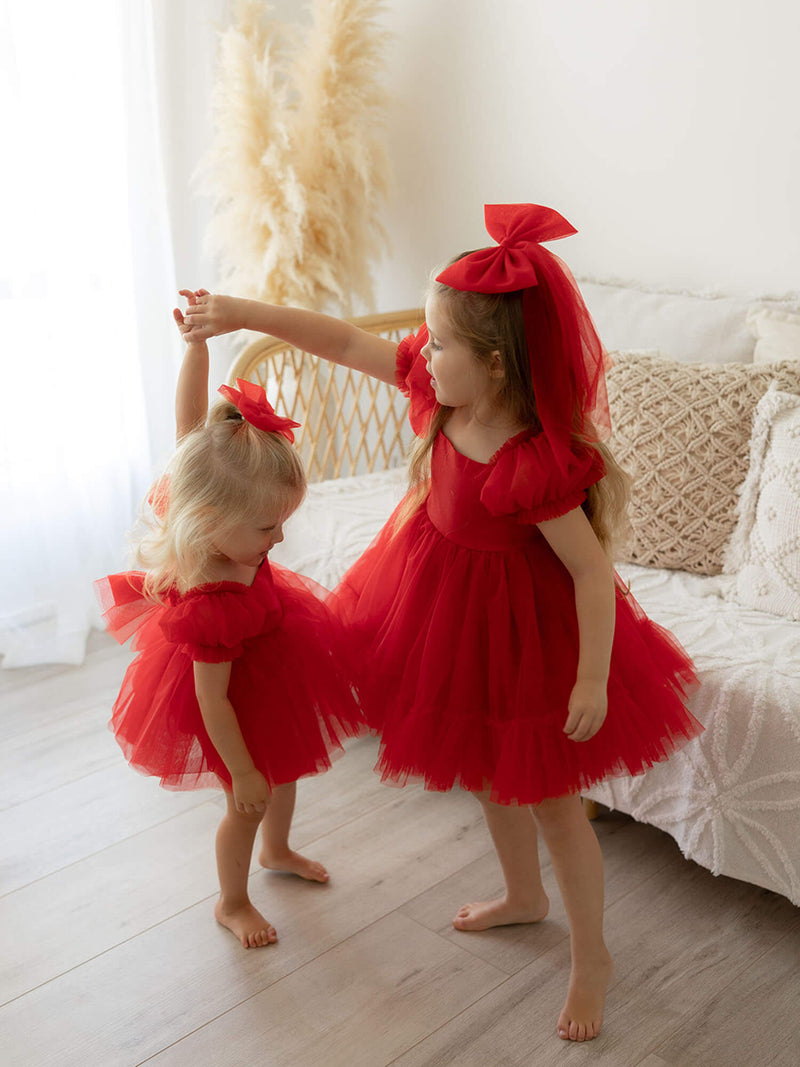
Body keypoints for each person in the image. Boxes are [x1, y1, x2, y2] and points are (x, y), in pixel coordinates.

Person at [179, 205, 702, 1040]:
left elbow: (591, 572)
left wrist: (594, 674)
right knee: (489, 771)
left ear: (492, 366)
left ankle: (592, 955)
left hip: (530, 633)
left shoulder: (534, 459)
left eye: (440, 342)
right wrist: (243, 312)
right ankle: (523, 896)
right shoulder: (442, 397)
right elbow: (345, 343)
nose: (422, 352)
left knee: (554, 802)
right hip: (442, 602)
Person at [95, 291, 364, 949]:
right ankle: (232, 899)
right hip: (226, 700)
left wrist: (195, 347)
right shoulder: (210, 594)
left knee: (290, 767)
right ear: (209, 524)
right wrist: (242, 770)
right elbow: (211, 701)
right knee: (248, 799)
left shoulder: (210, 490)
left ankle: (280, 849)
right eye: (269, 527)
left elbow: (190, 427)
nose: (279, 540)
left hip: (271, 661)